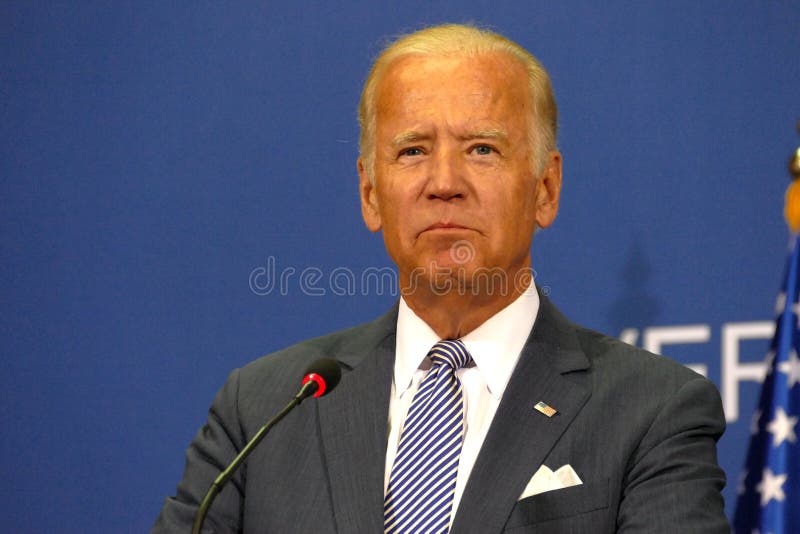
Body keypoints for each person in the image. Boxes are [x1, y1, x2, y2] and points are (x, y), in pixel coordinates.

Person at [153, 24, 729, 533]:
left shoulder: (653, 410)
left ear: (545, 189)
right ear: (370, 194)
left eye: (482, 148)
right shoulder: (262, 409)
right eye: (412, 151)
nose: (444, 182)